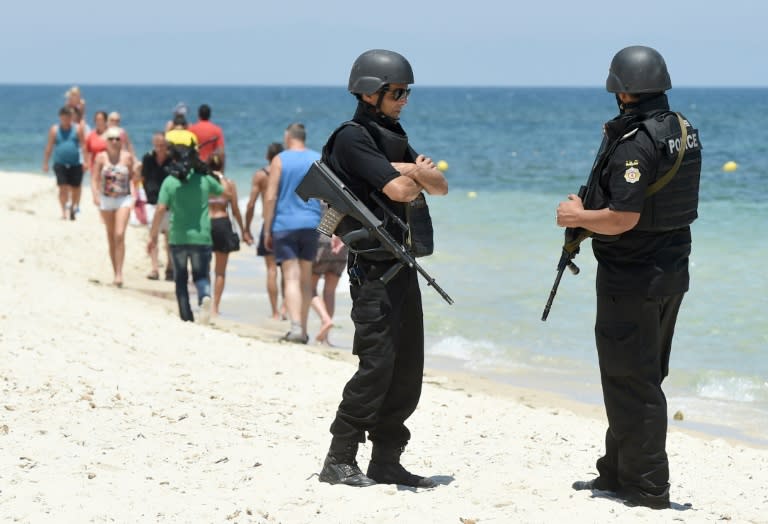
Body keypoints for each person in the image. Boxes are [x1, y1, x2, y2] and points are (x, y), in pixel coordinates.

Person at [558, 46, 702, 510]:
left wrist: (576, 216)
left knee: (629, 377)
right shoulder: (682, 129)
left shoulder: (636, 141)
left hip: (634, 275)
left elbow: (623, 218)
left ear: (622, 90)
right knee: (639, 374)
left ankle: (647, 486)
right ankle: (617, 472)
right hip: (671, 270)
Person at [317, 49, 448, 488]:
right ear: (372, 93)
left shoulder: (392, 135)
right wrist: (414, 171)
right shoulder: (352, 138)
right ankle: (339, 458)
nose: (405, 98)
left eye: (407, 91)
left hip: (402, 263)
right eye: (397, 92)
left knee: (408, 369)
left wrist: (409, 172)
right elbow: (398, 190)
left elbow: (441, 186)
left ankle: (387, 460)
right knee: (377, 365)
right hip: (372, 270)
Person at [147, 139, 224, 323]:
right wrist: (205, 170)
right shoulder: (203, 179)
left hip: (178, 237)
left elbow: (160, 209)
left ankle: (186, 317)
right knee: (201, 275)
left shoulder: (170, 181)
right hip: (201, 236)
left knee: (180, 279)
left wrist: (153, 234)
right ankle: (204, 296)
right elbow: (220, 190)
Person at [262, 123, 321, 343]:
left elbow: (270, 196)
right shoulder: (317, 159)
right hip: (311, 223)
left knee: (291, 278)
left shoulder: (280, 159)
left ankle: (295, 327)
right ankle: (303, 330)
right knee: (306, 279)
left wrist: (268, 228)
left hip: (285, 223)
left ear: (288, 137)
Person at [244, 142, 285, 319]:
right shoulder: (286, 173)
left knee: (271, 270)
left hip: (268, 224)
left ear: (267, 156)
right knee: (287, 269)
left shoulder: (261, 175)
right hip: (286, 223)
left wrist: (246, 228)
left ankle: (275, 312)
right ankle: (285, 308)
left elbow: (251, 204)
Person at [92, 127, 136, 287]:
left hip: (123, 199)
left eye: (118, 139)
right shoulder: (100, 157)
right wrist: (95, 195)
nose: (115, 141)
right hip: (106, 199)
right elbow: (95, 178)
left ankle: (120, 273)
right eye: (111, 138)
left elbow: (133, 177)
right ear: (106, 141)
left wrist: (135, 195)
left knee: (119, 234)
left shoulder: (127, 157)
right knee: (111, 236)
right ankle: (115, 272)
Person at [207, 156, 246, 317]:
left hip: (206, 223)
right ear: (223, 165)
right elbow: (235, 210)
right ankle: (215, 307)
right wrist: (244, 231)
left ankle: (204, 300)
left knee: (203, 267)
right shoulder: (229, 184)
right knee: (220, 271)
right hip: (223, 223)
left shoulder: (204, 182)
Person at [310, 205, 348, 344]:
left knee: (309, 288)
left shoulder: (321, 193)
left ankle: (325, 319)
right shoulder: (346, 191)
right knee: (330, 292)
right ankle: (325, 338)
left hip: (322, 242)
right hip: (342, 244)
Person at [138, 132, 173, 280]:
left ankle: (170, 267)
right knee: (153, 236)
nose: (159, 149)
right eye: (157, 145)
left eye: (162, 146)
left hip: (170, 205)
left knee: (170, 238)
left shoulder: (173, 161)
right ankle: (154, 268)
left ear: (167, 146)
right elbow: (143, 177)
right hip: (152, 202)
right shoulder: (148, 159)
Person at [42, 106, 87, 220]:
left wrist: (86, 161)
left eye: (68, 117)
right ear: (60, 117)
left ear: (71, 118)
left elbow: (83, 145)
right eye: (63, 118)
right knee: (62, 188)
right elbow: (49, 146)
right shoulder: (54, 129)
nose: (66, 120)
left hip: (75, 163)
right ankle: (63, 211)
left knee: (76, 188)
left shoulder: (77, 129)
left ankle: (73, 207)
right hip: (60, 163)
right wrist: (46, 162)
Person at [188, 104, 225, 168]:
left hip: (195, 165)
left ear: (198, 115)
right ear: (210, 115)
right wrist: (221, 173)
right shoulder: (217, 130)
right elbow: (221, 152)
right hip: (210, 165)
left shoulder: (191, 129)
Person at [85, 111, 109, 176]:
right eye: (97, 120)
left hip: (108, 168)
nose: (99, 122)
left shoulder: (111, 134)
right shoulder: (91, 135)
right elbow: (87, 151)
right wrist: (87, 164)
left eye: (101, 120)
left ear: (106, 120)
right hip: (95, 168)